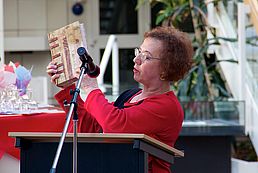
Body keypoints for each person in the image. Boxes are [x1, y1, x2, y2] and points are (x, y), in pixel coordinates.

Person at [46, 26, 193, 173]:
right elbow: (92, 128)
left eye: (146, 57)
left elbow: (114, 126)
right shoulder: (131, 95)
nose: (136, 59)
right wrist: (67, 87)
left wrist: (91, 88)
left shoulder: (167, 106)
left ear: (166, 70)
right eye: (139, 52)